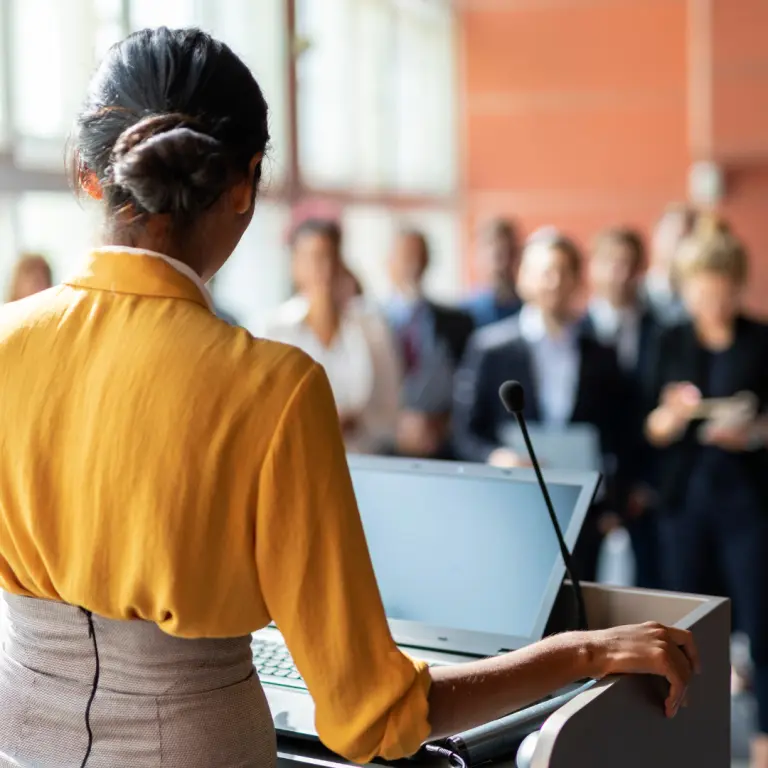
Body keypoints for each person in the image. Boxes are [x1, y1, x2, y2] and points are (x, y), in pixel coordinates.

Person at [0, 26, 698, 768]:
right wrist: (577, 652)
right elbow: (375, 717)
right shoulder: (271, 387)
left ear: (87, 173)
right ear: (244, 184)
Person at [644, 225, 768, 768]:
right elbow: (649, 428)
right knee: (688, 632)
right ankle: (690, 741)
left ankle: (763, 743)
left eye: (721, 287)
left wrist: (755, 431)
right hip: (685, 502)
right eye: (700, 287)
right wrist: (672, 416)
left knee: (763, 627)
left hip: (750, 502)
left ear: (738, 285)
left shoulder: (761, 340)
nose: (711, 299)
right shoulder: (668, 338)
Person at [453, 232, 629, 582]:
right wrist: (495, 457)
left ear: (578, 280)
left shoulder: (601, 354)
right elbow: (465, 430)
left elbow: (619, 432)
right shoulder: (490, 348)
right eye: (544, 271)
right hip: (515, 505)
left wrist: (613, 503)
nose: (554, 281)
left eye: (565, 271)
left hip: (583, 508)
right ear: (523, 277)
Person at [262, 218, 401, 455]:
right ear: (295, 265)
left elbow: (391, 407)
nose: (323, 269)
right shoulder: (274, 330)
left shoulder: (371, 327)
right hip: (296, 458)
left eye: (330, 256)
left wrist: (359, 422)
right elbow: (264, 411)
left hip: (362, 460)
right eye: (313, 258)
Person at [584, 227, 661, 588]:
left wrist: (645, 482)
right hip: (591, 485)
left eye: (630, 264)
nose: (621, 273)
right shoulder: (575, 332)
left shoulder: (664, 331)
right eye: (612, 263)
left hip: (648, 485)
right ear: (594, 267)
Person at [385, 229, 474, 459]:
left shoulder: (458, 322)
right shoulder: (370, 322)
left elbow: (468, 386)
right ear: (388, 262)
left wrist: (441, 424)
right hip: (385, 449)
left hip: (440, 447)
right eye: (405, 256)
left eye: (419, 257)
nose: (412, 265)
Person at [641, 204, 697, 326]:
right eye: (671, 234)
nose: (676, 245)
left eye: (685, 238)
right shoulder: (633, 293)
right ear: (655, 235)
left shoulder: (700, 300)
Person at [462, 218, 522, 328]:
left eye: (510, 254)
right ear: (478, 256)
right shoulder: (464, 313)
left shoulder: (528, 312)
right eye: (497, 256)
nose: (503, 264)